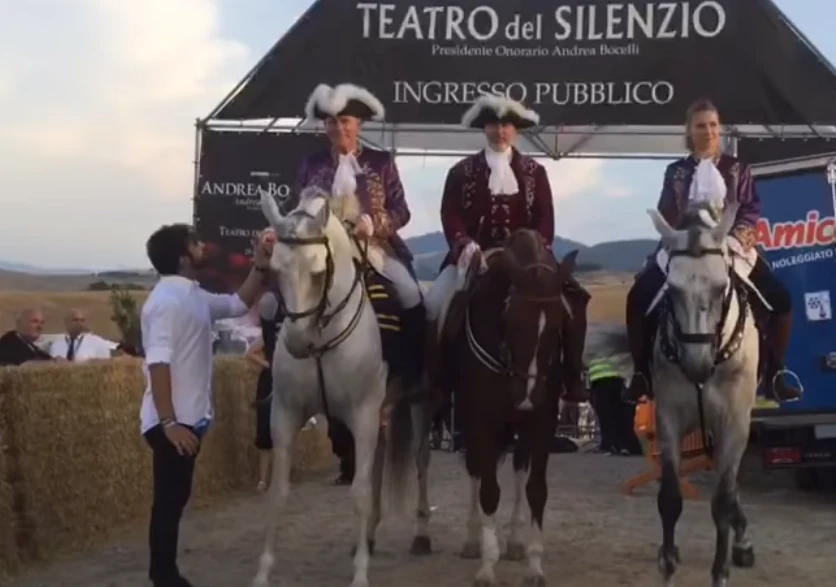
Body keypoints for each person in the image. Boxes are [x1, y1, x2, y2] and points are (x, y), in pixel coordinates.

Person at [623, 98, 802, 405]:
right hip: (685, 248)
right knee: (637, 298)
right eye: (701, 126)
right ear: (690, 132)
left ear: (720, 129)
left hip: (731, 247)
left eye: (713, 125)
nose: (708, 131)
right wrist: (680, 238)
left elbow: (750, 209)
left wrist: (732, 239)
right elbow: (668, 211)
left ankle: (776, 370)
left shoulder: (738, 169)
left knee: (781, 299)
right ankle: (642, 374)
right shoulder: (675, 173)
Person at [296, 82, 425, 481]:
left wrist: (378, 222)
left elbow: (402, 209)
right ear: (325, 127)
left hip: (375, 248)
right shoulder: (311, 163)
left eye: (346, 121)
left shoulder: (382, 161)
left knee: (412, 295)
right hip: (326, 251)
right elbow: (299, 206)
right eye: (332, 122)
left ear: (359, 123)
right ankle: (286, 384)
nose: (339, 128)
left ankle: (413, 372)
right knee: (276, 304)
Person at [140, 223, 274, 587]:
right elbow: (158, 363)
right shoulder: (166, 303)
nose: (205, 248)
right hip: (173, 422)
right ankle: (164, 576)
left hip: (187, 419)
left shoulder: (192, 295)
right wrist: (169, 423)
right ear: (185, 257)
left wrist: (261, 265)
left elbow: (238, 303)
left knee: (175, 498)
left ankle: (165, 573)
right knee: (168, 502)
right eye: (197, 244)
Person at [435, 93, 591, 405]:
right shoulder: (461, 171)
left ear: (516, 130)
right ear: (484, 129)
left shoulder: (535, 171)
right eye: (493, 124)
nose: (500, 131)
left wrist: (538, 252)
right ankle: (438, 383)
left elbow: (545, 218)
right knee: (434, 305)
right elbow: (449, 213)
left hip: (527, 261)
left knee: (575, 299)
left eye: (506, 125)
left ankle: (572, 377)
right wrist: (464, 244)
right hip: (476, 257)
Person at [244, 290, 284, 492]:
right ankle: (262, 479)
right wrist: (268, 365)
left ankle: (278, 476)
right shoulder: (269, 336)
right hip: (270, 381)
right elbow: (250, 352)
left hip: (287, 380)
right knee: (265, 430)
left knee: (283, 430)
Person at [48, 309, 115, 361]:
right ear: (66, 322)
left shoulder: (98, 343)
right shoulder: (56, 345)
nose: (79, 323)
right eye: (75, 320)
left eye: (82, 320)